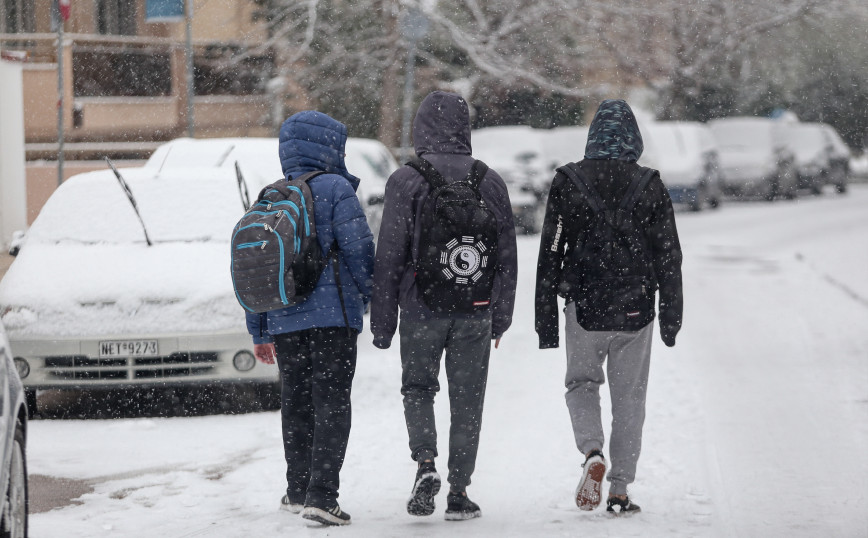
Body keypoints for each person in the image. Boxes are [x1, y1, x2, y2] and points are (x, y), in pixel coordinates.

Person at [371, 91, 518, 521]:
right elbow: (506, 257)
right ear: (465, 129)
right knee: (468, 400)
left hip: (421, 308)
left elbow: (389, 256)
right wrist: (500, 318)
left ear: (420, 129)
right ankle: (459, 491)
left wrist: (383, 324)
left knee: (419, 389)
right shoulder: (489, 181)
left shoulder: (406, 181)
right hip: (475, 307)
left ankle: (425, 464)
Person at [535, 99, 683, 515]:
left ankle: (592, 452)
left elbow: (550, 251)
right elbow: (669, 255)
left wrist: (545, 319)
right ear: (633, 137)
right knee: (630, 398)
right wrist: (672, 315)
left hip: (584, 307)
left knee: (581, 384)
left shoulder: (568, 180)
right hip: (636, 309)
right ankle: (619, 489)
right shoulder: (650, 183)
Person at [247, 110, 374, 526]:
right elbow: (359, 253)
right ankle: (323, 496)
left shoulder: (272, 194)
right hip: (332, 320)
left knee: (295, 403)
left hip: (284, 321)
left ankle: (297, 488)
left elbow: (255, 265)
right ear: (329, 147)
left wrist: (259, 329)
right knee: (332, 402)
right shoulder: (336, 188)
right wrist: (375, 300)